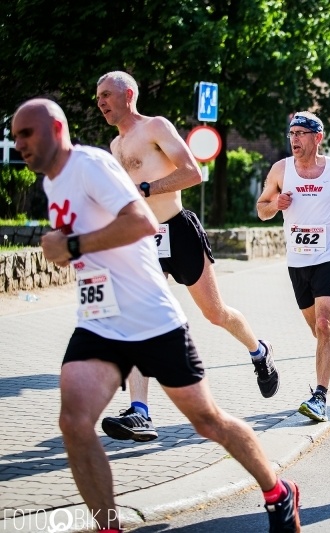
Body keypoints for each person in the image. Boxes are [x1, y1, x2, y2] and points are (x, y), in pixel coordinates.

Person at [12, 99, 300, 533]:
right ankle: (109, 524)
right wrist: (71, 250)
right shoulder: (56, 182)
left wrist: (72, 246)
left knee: (207, 420)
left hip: (152, 316)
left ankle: (278, 491)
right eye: (14, 137)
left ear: (55, 128)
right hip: (100, 317)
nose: (19, 145)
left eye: (26, 134)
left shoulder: (92, 164)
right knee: (73, 422)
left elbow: (142, 224)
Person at [95, 71, 279, 442]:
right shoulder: (115, 147)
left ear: (128, 94)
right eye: (97, 97)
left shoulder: (155, 127)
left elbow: (193, 173)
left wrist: (146, 187)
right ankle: (140, 412)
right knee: (139, 320)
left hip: (177, 231)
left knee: (215, 314)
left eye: (105, 95)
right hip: (144, 240)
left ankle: (259, 351)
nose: (100, 102)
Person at [255, 111, 330, 422]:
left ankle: (320, 397)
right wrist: (275, 205)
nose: (294, 139)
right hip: (298, 261)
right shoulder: (281, 169)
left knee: (324, 325)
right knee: (318, 329)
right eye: (292, 133)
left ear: (317, 138)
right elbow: (262, 210)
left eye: (301, 133)